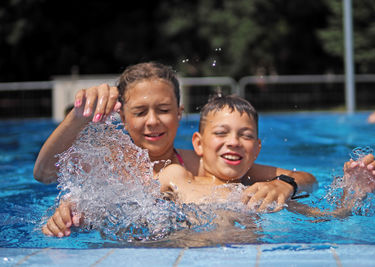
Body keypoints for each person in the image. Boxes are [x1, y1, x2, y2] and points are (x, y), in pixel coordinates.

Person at [42, 95, 375, 237]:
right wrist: (73, 209)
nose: (234, 141)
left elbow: (329, 219)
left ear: (257, 148)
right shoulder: (177, 176)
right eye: (221, 133)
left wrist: (353, 195)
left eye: (245, 135)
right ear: (199, 145)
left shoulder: (258, 192)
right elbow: (120, 200)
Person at [34, 62, 317, 212]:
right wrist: (78, 117)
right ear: (123, 118)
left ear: (179, 113)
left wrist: (286, 186)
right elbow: (44, 174)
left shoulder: (201, 163)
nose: (153, 121)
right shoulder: (110, 163)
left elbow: (306, 178)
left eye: (164, 110)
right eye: (140, 111)